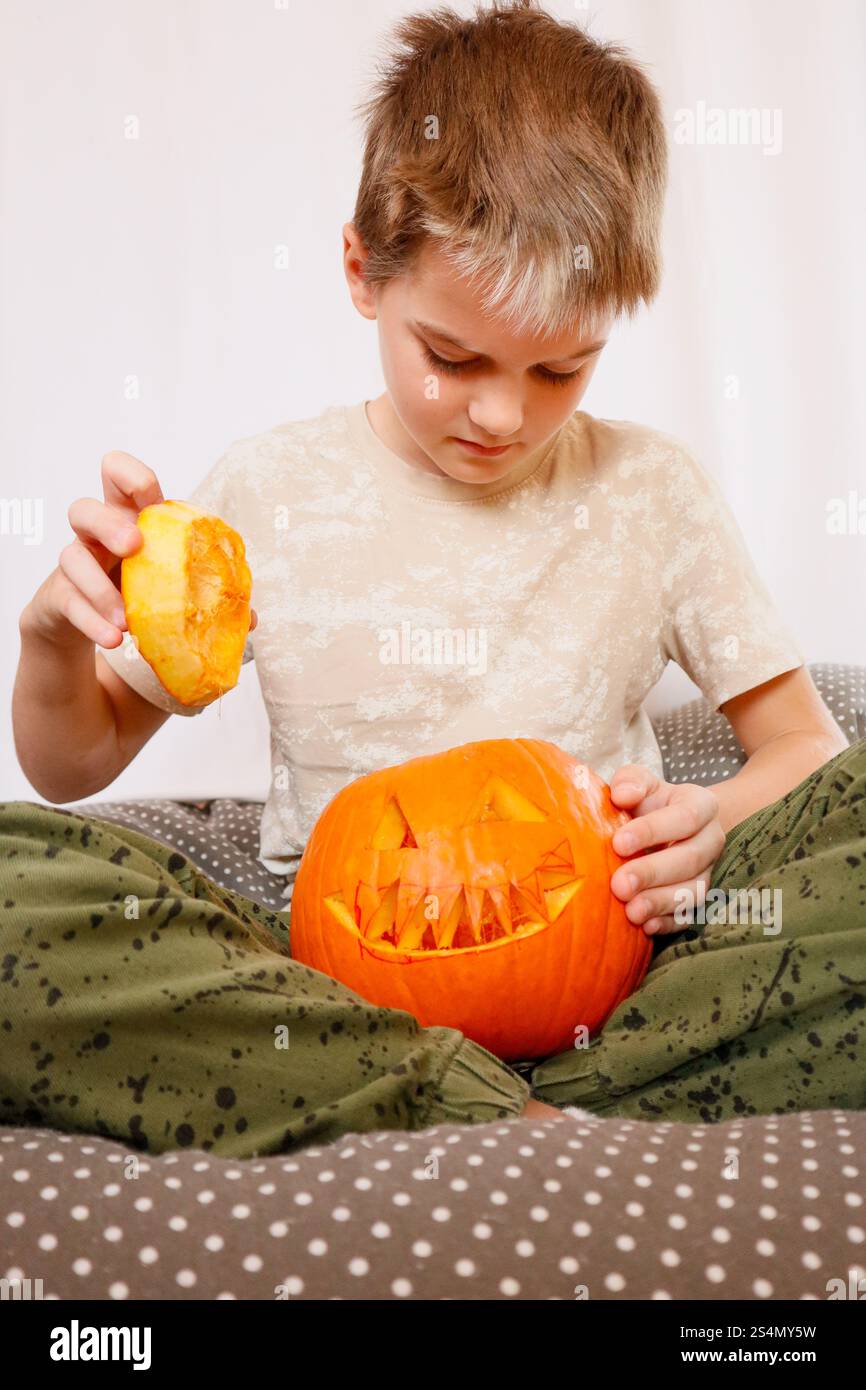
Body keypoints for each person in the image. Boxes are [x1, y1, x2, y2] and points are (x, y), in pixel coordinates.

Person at [6, 1, 863, 1157]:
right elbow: (74, 764)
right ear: (362, 272)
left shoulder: (651, 492)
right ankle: (483, 1107)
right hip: (328, 1008)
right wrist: (58, 639)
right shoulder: (266, 491)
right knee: (20, 882)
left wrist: (703, 820)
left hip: (626, 995)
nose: (502, 413)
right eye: (450, 357)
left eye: (560, 367)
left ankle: (528, 1101)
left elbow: (806, 752)